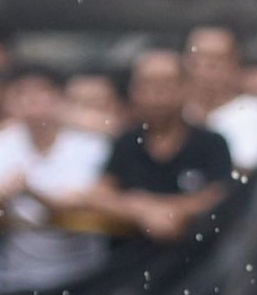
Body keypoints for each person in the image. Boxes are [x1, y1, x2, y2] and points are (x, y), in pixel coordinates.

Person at [95, 47, 241, 242]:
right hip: (129, 260)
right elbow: (101, 193)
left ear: (186, 87)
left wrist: (165, 210)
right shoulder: (126, 142)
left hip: (196, 260)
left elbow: (218, 196)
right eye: (146, 85)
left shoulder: (211, 143)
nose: (156, 95)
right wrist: (141, 212)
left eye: (165, 84)